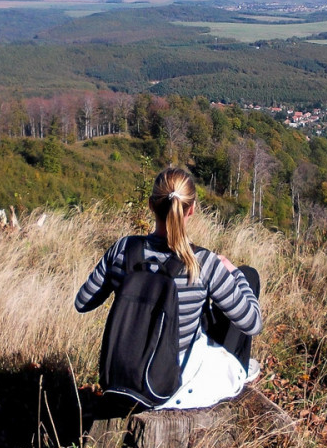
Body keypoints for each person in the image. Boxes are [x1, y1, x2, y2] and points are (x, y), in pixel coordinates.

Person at [75, 167, 262, 409]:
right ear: (192, 209)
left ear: (151, 205)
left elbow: (83, 302)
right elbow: (253, 323)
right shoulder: (203, 263)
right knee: (249, 275)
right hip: (175, 385)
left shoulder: (123, 249)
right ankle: (239, 369)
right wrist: (235, 273)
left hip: (123, 378)